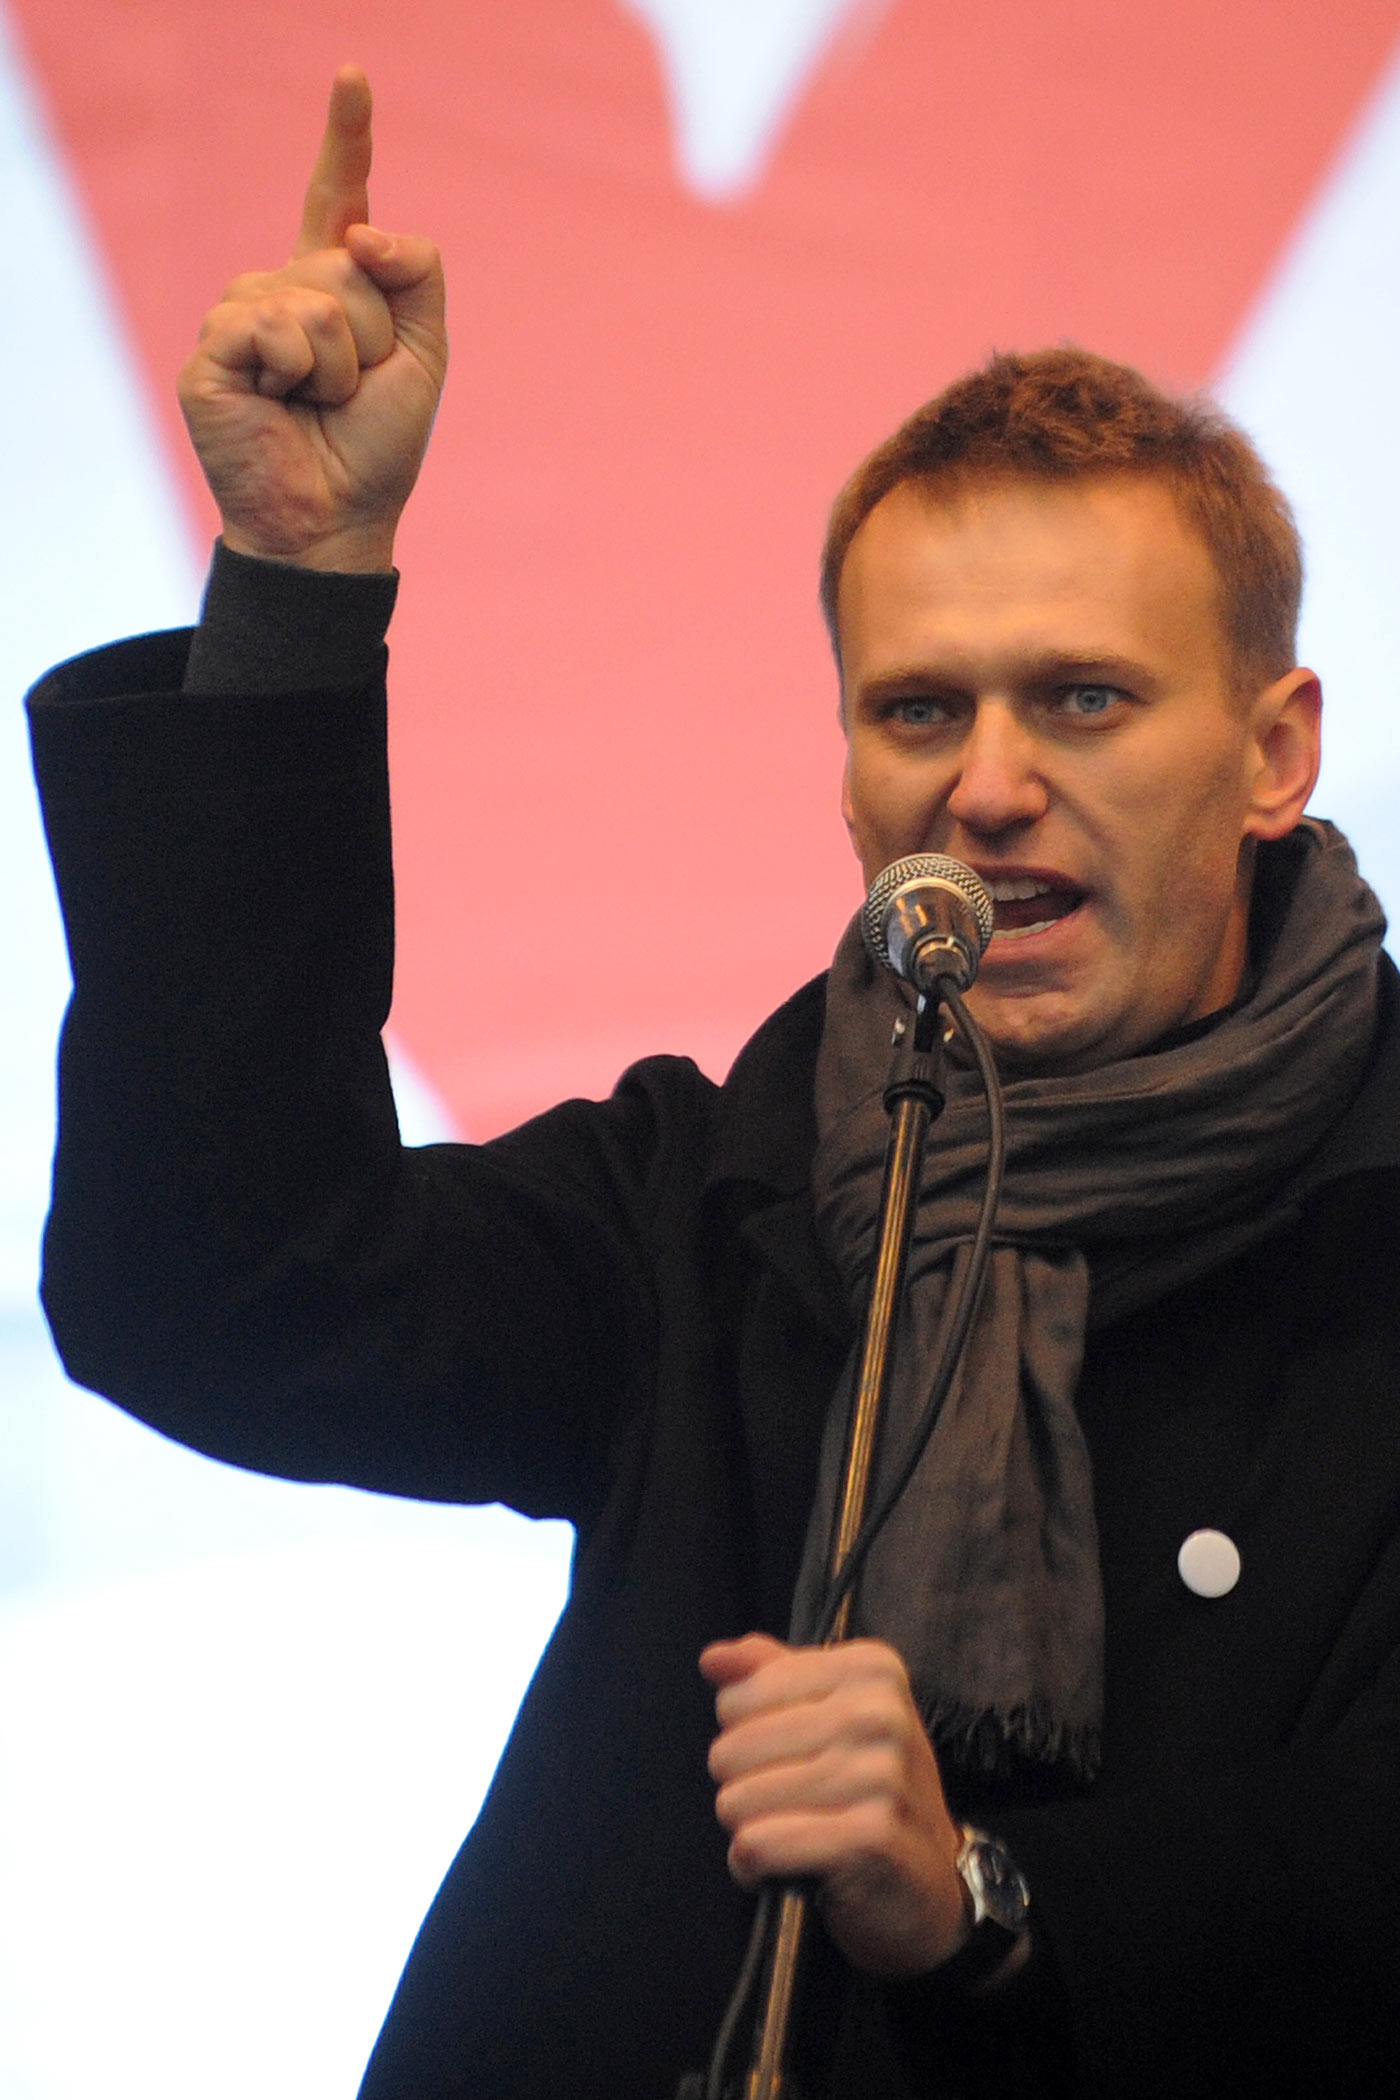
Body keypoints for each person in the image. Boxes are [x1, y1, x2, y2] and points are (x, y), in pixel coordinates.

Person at [26, 66, 1400, 2100]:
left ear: (1274, 752)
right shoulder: (718, 1199)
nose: (990, 782)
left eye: (1083, 699)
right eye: (917, 708)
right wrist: (298, 585)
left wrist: (994, 1904)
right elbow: (227, 1297)